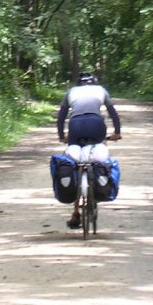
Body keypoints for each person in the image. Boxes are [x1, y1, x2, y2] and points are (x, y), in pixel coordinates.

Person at [57, 72, 121, 229]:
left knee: (74, 162)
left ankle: (75, 213)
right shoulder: (101, 90)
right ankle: (98, 185)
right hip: (96, 124)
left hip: (75, 125)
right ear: (94, 83)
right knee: (100, 150)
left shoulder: (71, 92)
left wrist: (62, 136)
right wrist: (117, 132)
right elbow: (113, 113)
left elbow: (61, 116)